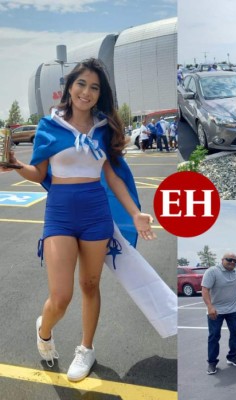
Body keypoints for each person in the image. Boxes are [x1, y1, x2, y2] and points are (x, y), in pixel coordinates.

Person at [2, 58, 155, 382]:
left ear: (101, 94)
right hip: (59, 213)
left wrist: (135, 213)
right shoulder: (49, 126)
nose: (87, 92)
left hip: (95, 214)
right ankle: (44, 331)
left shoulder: (104, 128)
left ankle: (86, 348)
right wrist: (16, 166)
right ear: (69, 87)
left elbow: (112, 177)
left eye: (94, 87)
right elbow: (39, 173)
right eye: (81, 84)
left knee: (89, 284)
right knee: (61, 296)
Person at [201, 253, 236, 375]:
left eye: (235, 261)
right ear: (222, 260)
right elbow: (205, 290)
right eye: (229, 260)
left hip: (234, 310)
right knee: (214, 336)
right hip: (216, 310)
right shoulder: (212, 271)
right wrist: (210, 307)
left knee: (235, 334)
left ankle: (232, 356)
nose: (232, 262)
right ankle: (212, 362)